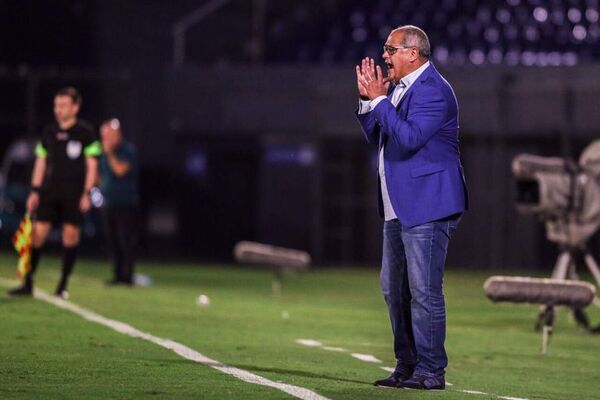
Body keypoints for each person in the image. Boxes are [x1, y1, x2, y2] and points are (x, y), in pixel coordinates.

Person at [355, 25, 468, 390]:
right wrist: (367, 101)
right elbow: (376, 133)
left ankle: (431, 371)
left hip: (428, 204)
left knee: (424, 292)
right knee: (394, 290)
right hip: (398, 205)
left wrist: (380, 101)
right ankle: (407, 364)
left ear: (413, 53)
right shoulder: (401, 89)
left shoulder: (434, 90)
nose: (384, 55)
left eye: (390, 49)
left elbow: (409, 138)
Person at [8, 87, 101, 299]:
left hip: (74, 193)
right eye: (56, 105)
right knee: (37, 235)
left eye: (63, 105)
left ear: (75, 107)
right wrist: (35, 191)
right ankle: (28, 282)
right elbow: (40, 163)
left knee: (70, 236)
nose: (58, 110)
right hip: (49, 192)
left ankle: (62, 285)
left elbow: (92, 166)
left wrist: (87, 193)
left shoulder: (86, 132)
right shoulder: (49, 132)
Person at [98, 118, 140, 285]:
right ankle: (117, 275)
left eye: (109, 135)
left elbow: (120, 170)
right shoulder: (103, 153)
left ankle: (127, 276)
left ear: (118, 134)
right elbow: (101, 177)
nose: (106, 139)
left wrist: (109, 154)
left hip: (126, 203)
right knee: (112, 240)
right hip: (109, 202)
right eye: (104, 135)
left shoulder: (128, 150)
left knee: (125, 240)